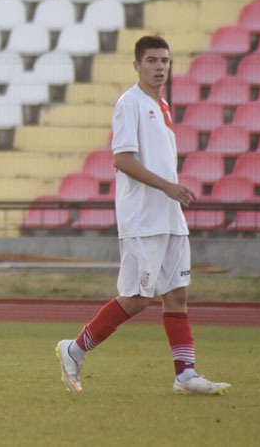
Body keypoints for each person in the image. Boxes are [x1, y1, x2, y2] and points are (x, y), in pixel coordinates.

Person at [56, 35, 230, 395]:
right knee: (137, 298)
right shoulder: (130, 103)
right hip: (142, 219)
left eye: (164, 60)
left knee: (176, 296)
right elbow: (122, 159)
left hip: (169, 218)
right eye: (151, 60)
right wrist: (168, 187)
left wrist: (170, 193)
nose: (159, 67)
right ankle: (74, 349)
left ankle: (185, 375)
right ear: (137, 65)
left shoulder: (162, 104)